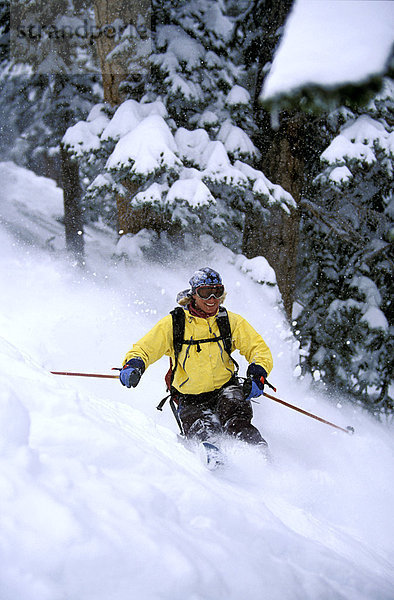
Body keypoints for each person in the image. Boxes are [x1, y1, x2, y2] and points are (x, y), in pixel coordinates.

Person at [120, 267, 273, 449]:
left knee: (238, 421)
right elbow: (145, 348)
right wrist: (134, 365)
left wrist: (258, 374)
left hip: (226, 388)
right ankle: (213, 456)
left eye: (217, 292)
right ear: (194, 294)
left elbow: (258, 348)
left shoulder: (229, 321)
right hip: (190, 397)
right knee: (202, 429)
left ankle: (256, 450)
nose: (212, 299)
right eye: (206, 292)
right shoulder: (175, 323)